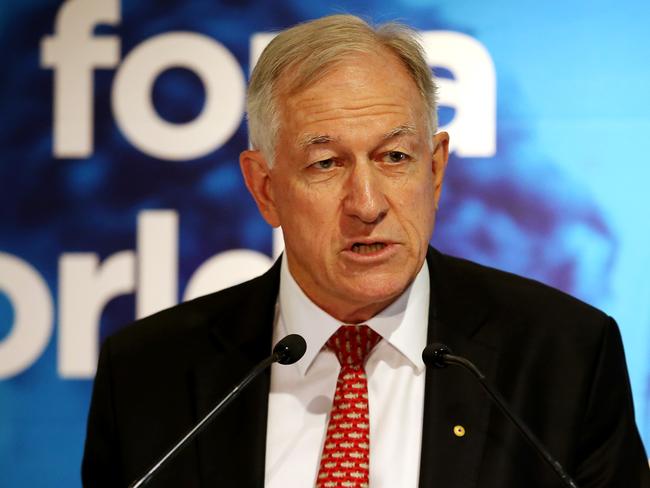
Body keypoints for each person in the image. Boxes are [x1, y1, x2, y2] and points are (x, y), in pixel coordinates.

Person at [82, 14, 649, 488]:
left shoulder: (564, 359)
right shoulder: (146, 376)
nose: (367, 203)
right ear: (264, 188)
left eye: (395, 158)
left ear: (435, 169)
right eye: (326, 164)